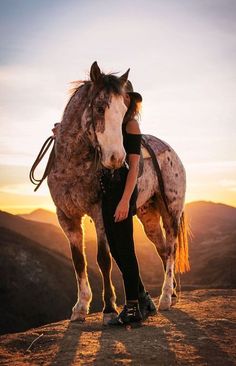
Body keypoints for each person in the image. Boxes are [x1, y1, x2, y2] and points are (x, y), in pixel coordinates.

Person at [100, 81, 157, 326]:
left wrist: (125, 201)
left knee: (125, 248)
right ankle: (143, 299)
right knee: (114, 248)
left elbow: (133, 167)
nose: (121, 100)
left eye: (124, 97)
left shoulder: (131, 125)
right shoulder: (111, 125)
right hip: (106, 188)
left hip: (123, 186)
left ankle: (133, 307)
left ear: (130, 101)